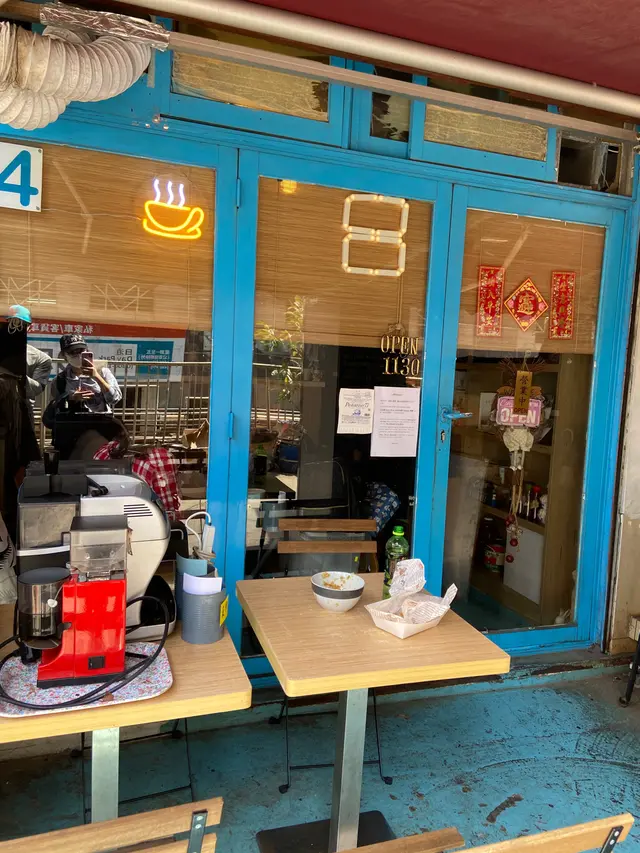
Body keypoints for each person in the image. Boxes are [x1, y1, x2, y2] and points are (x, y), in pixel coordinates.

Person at [48, 333, 122, 459]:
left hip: (101, 431)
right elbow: (55, 409)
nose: (78, 355)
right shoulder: (60, 380)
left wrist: (97, 377)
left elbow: (115, 398)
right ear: (64, 356)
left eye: (81, 350)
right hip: (72, 435)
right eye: (73, 352)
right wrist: (71, 398)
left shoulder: (103, 372)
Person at [5, 305, 52, 420]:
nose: (16, 328)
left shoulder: (41, 358)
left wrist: (18, 375)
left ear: (29, 327)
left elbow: (37, 388)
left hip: (21, 412)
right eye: (12, 323)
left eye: (21, 324)